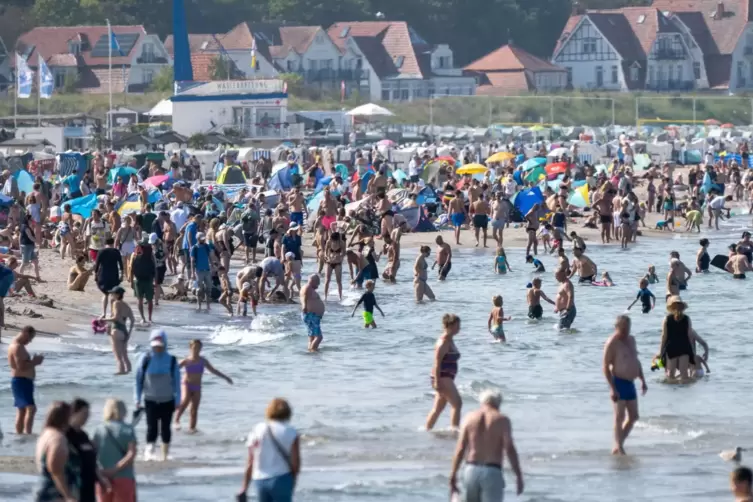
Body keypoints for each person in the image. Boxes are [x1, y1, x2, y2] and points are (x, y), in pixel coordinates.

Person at [449, 390, 524, 502]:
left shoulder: (469, 417)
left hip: (471, 469)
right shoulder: (502, 419)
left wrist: (453, 474)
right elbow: (509, 448)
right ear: (498, 403)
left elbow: (460, 448)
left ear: (482, 402)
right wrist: (518, 475)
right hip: (492, 470)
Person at [238, 398, 300, 502]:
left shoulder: (257, 429)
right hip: (282, 478)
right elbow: (295, 463)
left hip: (260, 480)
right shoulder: (291, 432)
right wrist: (293, 480)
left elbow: (250, 461)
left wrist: (244, 487)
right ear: (288, 412)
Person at [602, 315, 647, 455]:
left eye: (627, 328)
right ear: (616, 328)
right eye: (622, 329)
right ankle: (619, 446)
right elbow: (605, 366)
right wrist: (612, 389)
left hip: (630, 383)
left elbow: (636, 361)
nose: (625, 331)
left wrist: (643, 380)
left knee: (634, 416)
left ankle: (618, 444)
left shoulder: (631, 340)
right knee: (619, 416)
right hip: (618, 382)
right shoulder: (612, 343)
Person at [134, 330, 181, 461]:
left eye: (160, 346)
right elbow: (138, 380)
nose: (157, 348)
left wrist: (178, 400)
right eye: (155, 346)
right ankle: (149, 451)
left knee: (166, 428)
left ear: (165, 344)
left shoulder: (171, 360)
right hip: (150, 400)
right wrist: (137, 398)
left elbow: (177, 382)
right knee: (152, 427)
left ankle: (165, 454)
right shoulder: (145, 359)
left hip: (168, 400)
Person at [174, 339, 233, 433]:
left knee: (194, 409)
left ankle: (192, 429)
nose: (196, 350)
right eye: (194, 347)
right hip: (187, 384)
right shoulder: (186, 361)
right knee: (185, 400)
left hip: (197, 387)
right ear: (190, 348)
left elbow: (213, 370)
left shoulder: (203, 361)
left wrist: (226, 377)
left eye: (198, 348)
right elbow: (173, 370)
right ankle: (176, 420)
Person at [92, 399, 138, 502]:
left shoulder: (99, 430)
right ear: (123, 411)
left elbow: (91, 454)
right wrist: (116, 469)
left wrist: (98, 472)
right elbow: (131, 453)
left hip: (103, 477)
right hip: (124, 476)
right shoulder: (128, 429)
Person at [67, 398, 110, 502]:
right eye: (84, 413)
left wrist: (100, 479)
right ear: (74, 413)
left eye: (88, 413)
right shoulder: (66, 434)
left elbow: (91, 461)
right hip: (74, 484)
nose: (87, 417)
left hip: (89, 484)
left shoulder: (84, 435)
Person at [34, 401, 78, 502]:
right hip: (54, 492)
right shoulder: (57, 438)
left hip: (43, 486)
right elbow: (55, 470)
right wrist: (68, 496)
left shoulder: (45, 433)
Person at [426, 314, 462, 431]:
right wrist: (437, 382)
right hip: (442, 377)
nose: (459, 328)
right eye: (457, 326)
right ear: (449, 326)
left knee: (438, 408)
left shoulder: (450, 340)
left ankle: (427, 430)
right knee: (457, 404)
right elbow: (437, 363)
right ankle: (454, 431)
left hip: (446, 377)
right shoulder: (444, 342)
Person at [8, 326, 43, 434]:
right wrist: (35, 362)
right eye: (30, 338)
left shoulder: (17, 345)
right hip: (21, 381)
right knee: (31, 409)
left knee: (22, 410)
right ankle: (28, 435)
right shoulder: (18, 347)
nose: (30, 341)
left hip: (21, 381)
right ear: (26, 334)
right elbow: (21, 366)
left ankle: (20, 436)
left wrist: (33, 361)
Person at [657, 296, 695, 381]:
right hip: (684, 347)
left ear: (671, 307)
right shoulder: (687, 318)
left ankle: (673, 393)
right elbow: (690, 335)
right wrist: (692, 351)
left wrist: (660, 352)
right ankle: (684, 393)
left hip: (671, 348)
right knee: (684, 374)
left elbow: (664, 336)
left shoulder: (667, 319)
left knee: (670, 375)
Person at [100, 286, 134, 374]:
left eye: (113, 294)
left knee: (118, 358)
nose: (111, 295)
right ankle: (128, 376)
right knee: (125, 356)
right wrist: (129, 334)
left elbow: (116, 318)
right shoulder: (126, 305)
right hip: (124, 331)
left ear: (117, 295)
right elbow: (132, 320)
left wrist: (103, 320)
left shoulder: (116, 303)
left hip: (116, 330)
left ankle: (120, 375)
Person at [95, 238, 124, 317]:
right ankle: (112, 313)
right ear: (113, 243)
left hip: (103, 274)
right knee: (113, 294)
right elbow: (121, 264)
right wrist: (122, 274)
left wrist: (96, 274)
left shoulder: (101, 251)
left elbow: (97, 265)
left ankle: (104, 313)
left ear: (105, 243)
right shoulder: (116, 251)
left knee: (105, 294)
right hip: (114, 274)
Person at [129, 237, 156, 325]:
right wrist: (155, 281)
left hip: (138, 280)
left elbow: (131, 268)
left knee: (140, 299)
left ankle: (143, 318)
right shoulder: (150, 253)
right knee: (149, 300)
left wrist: (131, 281)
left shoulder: (135, 254)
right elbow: (155, 268)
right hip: (148, 279)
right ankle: (149, 318)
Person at [191, 232, 215, 312]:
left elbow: (210, 256)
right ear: (197, 239)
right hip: (199, 271)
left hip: (207, 270)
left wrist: (212, 265)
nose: (203, 240)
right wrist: (192, 272)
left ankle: (208, 305)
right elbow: (192, 261)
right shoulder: (194, 248)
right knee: (199, 290)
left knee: (208, 289)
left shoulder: (206, 246)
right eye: (201, 239)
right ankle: (199, 305)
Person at [300, 274, 325, 352]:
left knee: (312, 337)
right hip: (311, 315)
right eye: (318, 283)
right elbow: (304, 297)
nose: (318, 285)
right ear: (313, 281)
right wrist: (304, 306)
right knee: (319, 337)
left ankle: (310, 352)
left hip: (312, 316)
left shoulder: (310, 288)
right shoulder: (307, 288)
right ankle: (313, 351)